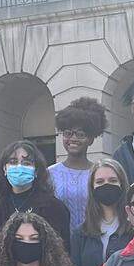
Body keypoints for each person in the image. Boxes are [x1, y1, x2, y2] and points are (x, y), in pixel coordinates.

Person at [0, 139, 71, 260]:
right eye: (13, 162)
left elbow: (62, 255)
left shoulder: (54, 208)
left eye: (26, 163)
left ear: (36, 170)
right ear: (4, 169)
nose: (19, 167)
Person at [49, 97, 108, 231]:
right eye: (68, 133)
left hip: (93, 242)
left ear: (91, 139)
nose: (73, 138)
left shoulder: (99, 173)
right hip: (60, 243)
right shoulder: (49, 174)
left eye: (80, 134)